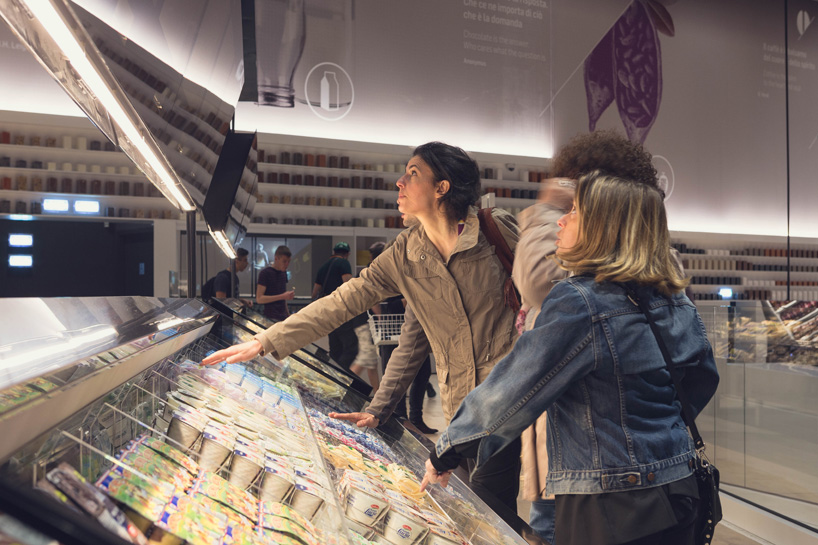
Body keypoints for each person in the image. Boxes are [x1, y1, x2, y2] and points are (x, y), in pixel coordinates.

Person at [202, 142, 523, 527]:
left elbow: (547, 297)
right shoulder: (405, 254)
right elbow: (346, 303)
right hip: (459, 415)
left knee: (491, 508)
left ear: (442, 187)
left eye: (413, 173)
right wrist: (266, 340)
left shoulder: (494, 232)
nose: (399, 183)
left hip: (510, 402)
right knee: (475, 514)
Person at [421, 171, 720, 545]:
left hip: (611, 504)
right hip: (680, 486)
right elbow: (702, 379)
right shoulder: (674, 297)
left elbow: (513, 389)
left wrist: (445, 451)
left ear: (604, 227)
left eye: (575, 211)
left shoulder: (580, 301)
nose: (561, 219)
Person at [512, 129, 667, 543]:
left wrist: (547, 210)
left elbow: (537, 281)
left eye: (577, 203)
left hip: (588, 464)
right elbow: (700, 374)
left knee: (550, 527)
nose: (566, 212)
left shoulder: (584, 292)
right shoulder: (657, 272)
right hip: (641, 463)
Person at [312, 242, 358, 370]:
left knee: (335, 348)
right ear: (347, 254)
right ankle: (341, 373)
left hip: (328, 312)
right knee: (351, 347)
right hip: (341, 310)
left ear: (334, 252)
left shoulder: (323, 267)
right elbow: (348, 286)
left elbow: (314, 293)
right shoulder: (344, 263)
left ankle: (332, 372)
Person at [256, 245, 295, 322]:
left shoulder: (283, 274)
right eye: (284, 261)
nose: (287, 264)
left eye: (288, 261)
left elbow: (284, 299)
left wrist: (288, 315)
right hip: (271, 318)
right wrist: (282, 296)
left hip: (283, 318)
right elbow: (259, 299)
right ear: (276, 258)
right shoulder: (265, 273)